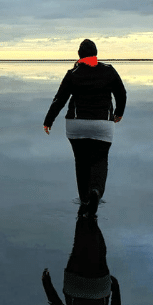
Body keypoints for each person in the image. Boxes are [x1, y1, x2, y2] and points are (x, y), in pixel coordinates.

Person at [43, 39, 126, 217]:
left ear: (79, 55)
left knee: (81, 162)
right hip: (102, 124)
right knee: (99, 160)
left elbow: (60, 99)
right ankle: (95, 192)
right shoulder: (108, 71)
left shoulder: (73, 73)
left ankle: (84, 201)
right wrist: (119, 113)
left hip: (76, 124)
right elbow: (121, 93)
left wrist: (48, 121)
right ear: (96, 54)